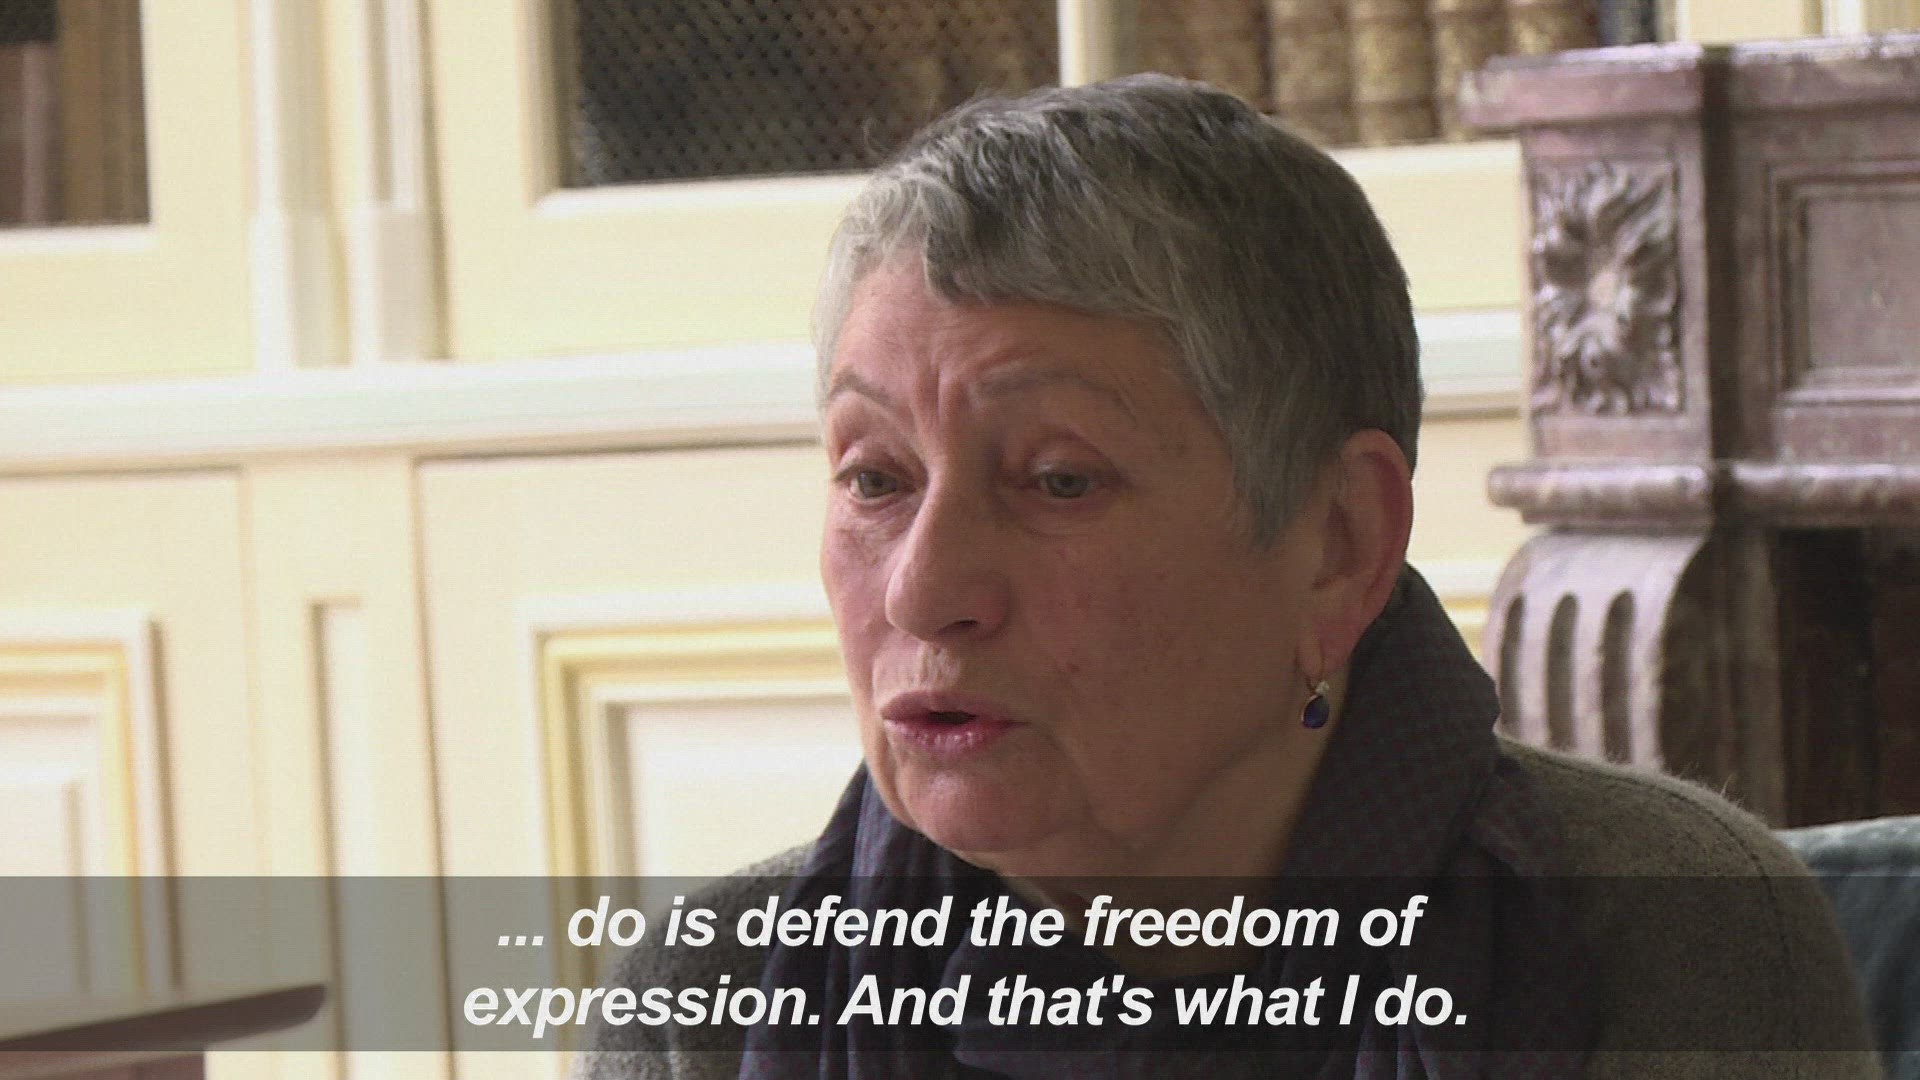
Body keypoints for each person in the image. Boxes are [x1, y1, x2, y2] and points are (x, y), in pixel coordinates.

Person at [576, 75, 1878, 1079]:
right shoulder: (710, 1006)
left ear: (1338, 545)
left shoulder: (1673, 941)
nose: (923, 592)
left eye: (1059, 481)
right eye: (875, 479)